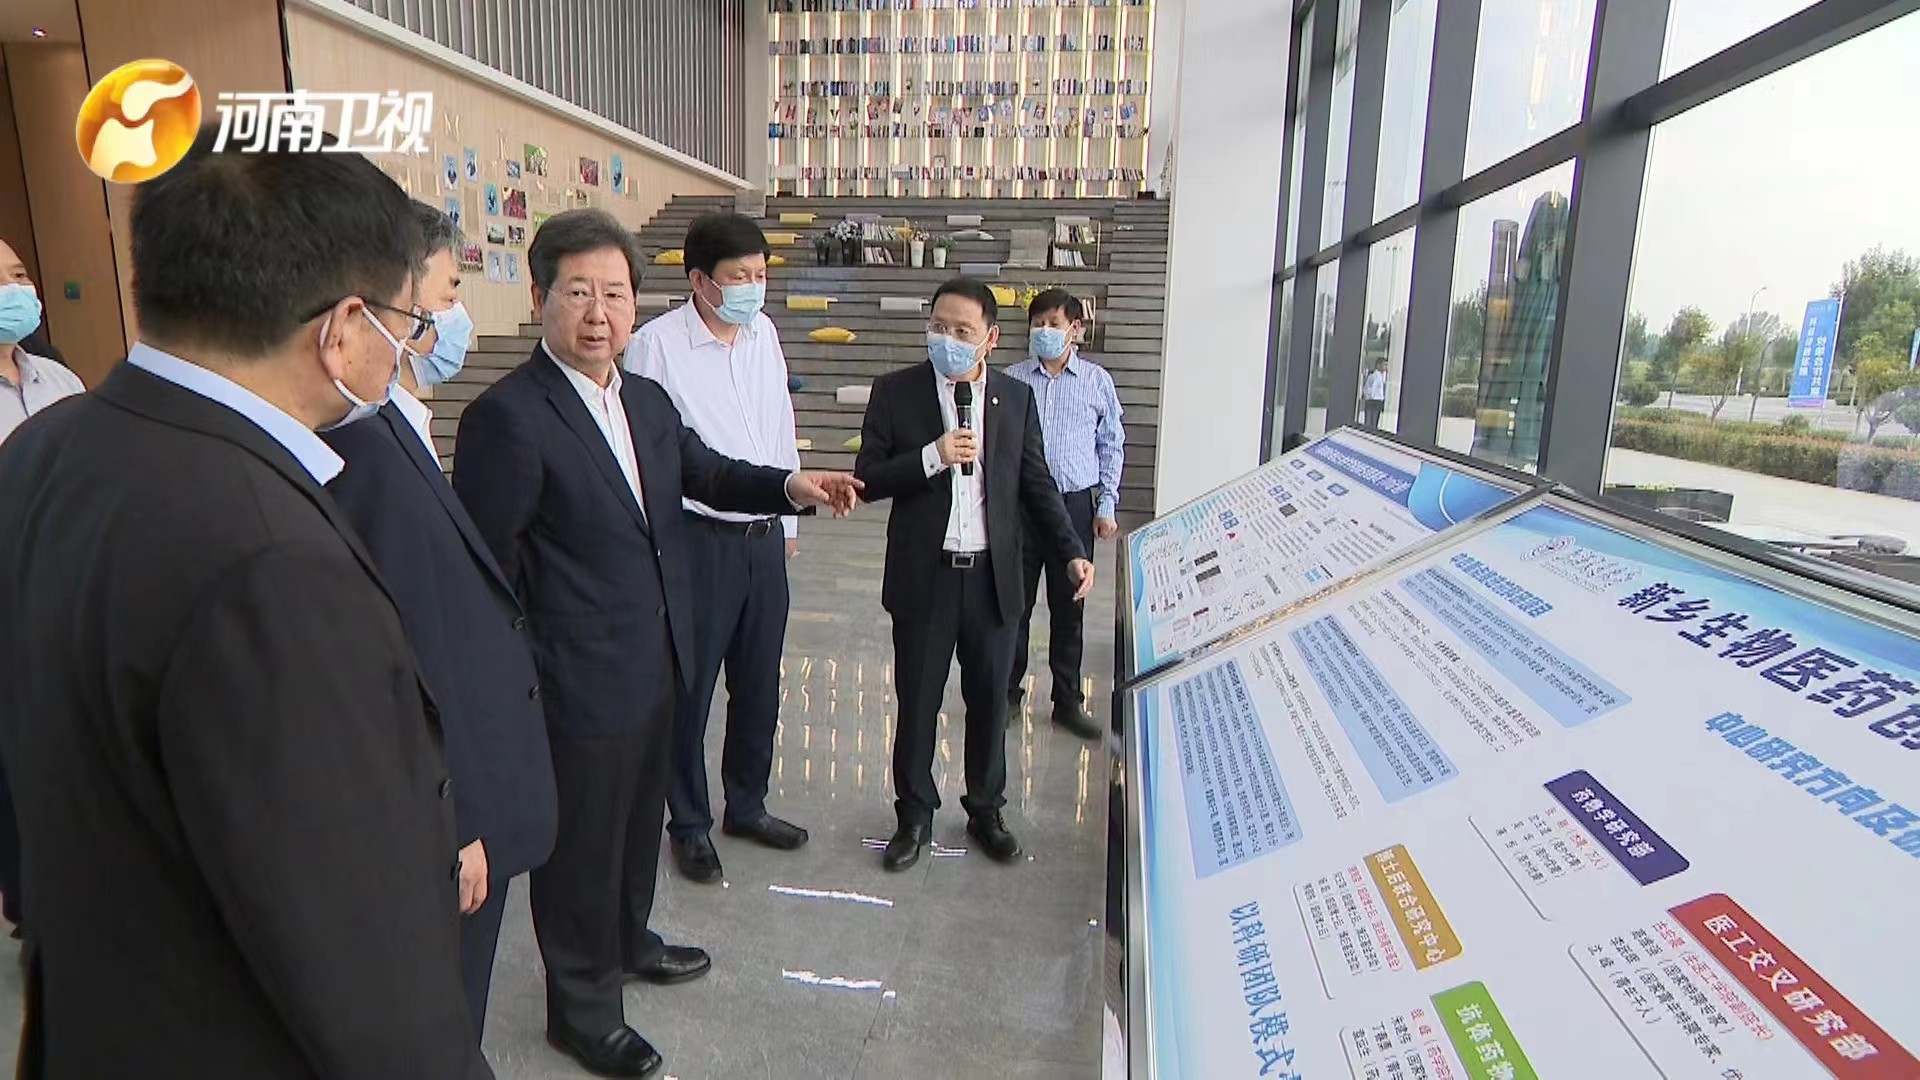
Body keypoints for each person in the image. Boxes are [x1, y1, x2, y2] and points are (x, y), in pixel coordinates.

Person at [0, 128, 490, 1078]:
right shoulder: (274, 561)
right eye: (407, 317)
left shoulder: (44, 449)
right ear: (343, 326)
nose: (409, 344)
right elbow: (363, 959)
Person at [453, 209, 861, 1079]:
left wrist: (793, 484)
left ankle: (629, 940)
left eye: (615, 294)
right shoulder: (508, 418)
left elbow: (705, 472)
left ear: (636, 303)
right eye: (578, 293)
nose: (598, 313)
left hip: (657, 663)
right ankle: (583, 1010)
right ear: (539, 297)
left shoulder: (642, 397)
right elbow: (488, 576)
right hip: (575, 684)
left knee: (640, 827)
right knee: (581, 851)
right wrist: (522, 690)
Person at [320, 200, 555, 1042]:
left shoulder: (397, 421)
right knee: (435, 1020)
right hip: (440, 819)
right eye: (447, 293)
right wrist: (455, 819)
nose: (452, 318)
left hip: (468, 799)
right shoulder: (355, 451)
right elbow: (401, 654)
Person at [854, 276, 1094, 873]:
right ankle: (914, 815)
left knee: (989, 701)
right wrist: (932, 456)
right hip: (925, 579)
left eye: (962, 331)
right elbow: (869, 479)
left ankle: (986, 810)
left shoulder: (1015, 398)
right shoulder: (896, 391)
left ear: (990, 338)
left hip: (993, 579)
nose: (948, 340)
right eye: (939, 327)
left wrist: (1070, 551)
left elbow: (1036, 484)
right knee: (917, 702)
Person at [626, 212, 807, 886]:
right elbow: (650, 455)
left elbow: (779, 424)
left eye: (761, 275)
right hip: (699, 540)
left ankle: (747, 804)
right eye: (740, 277)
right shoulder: (656, 347)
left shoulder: (764, 334)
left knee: (759, 682)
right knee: (691, 689)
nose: (754, 288)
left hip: (764, 537)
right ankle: (690, 823)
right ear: (700, 281)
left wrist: (789, 524)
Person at [1005, 288, 1124, 740]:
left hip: (1074, 506)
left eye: (1053, 323)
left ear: (1075, 329)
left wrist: (1106, 503)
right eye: (1037, 323)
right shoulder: (1012, 380)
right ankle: (1006, 695)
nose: (1044, 331)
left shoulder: (1096, 381)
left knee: (1069, 606)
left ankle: (1067, 702)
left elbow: (1110, 443)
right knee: (1013, 605)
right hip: (1021, 508)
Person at [1361, 358, 1389, 428]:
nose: (1386, 367)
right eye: (1384, 365)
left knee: (1375, 422)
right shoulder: (1373, 376)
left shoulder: (1383, 377)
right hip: (1372, 401)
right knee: (1369, 422)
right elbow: (1367, 388)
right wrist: (1370, 396)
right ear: (1378, 365)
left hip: (1378, 401)